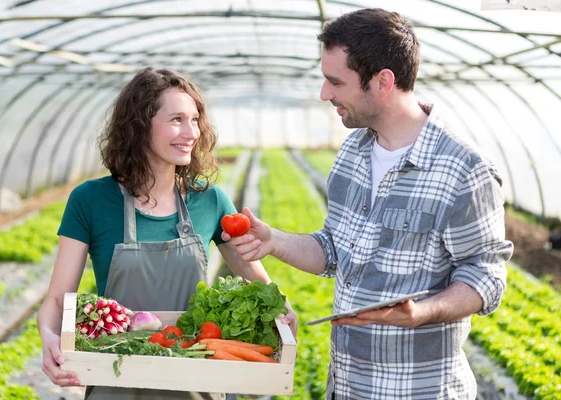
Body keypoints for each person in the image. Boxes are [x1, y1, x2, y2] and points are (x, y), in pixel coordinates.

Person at [224, 8, 513, 400]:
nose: (325, 94)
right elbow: (332, 250)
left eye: (335, 82)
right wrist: (272, 241)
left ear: (383, 82)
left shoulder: (463, 170)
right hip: (346, 386)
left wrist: (420, 314)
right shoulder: (352, 154)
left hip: (417, 390)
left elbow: (486, 277)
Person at [37, 67, 297, 400]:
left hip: (194, 378)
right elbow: (59, 299)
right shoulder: (90, 201)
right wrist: (49, 335)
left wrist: (285, 312)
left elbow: (256, 280)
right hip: (115, 377)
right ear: (140, 124)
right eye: (176, 119)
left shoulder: (210, 201)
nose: (191, 132)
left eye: (195, 120)